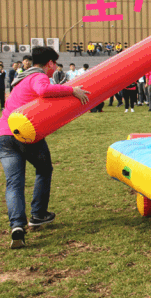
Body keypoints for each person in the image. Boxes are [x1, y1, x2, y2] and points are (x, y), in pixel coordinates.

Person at [0, 46, 89, 249]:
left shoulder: (21, 78)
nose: (55, 67)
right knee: (44, 169)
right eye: (55, 63)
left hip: (4, 134)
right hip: (25, 133)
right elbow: (43, 90)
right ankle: (38, 214)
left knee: (14, 183)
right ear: (50, 63)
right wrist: (72, 90)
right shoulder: (38, 76)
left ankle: (17, 226)